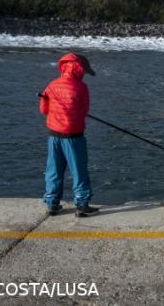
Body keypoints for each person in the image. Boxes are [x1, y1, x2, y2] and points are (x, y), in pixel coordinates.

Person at [39, 53, 100, 217]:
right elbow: (84, 111)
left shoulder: (51, 85)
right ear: (79, 70)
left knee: (54, 170)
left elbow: (43, 109)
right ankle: (81, 205)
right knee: (79, 170)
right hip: (74, 136)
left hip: (54, 136)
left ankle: (52, 204)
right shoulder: (81, 87)